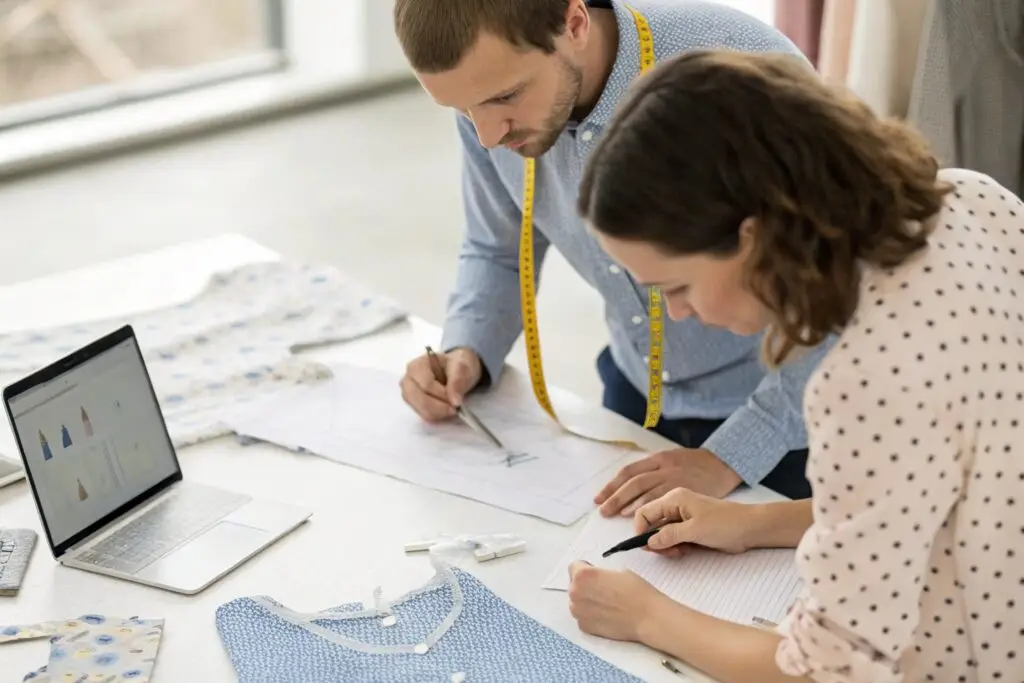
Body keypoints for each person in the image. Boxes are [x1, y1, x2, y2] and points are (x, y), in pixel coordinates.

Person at [566, 48, 1024, 682]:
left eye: (675, 288)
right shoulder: (972, 201)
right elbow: (938, 493)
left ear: (750, 236)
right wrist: (754, 524)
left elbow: (827, 671)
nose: (678, 317)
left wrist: (647, 617)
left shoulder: (864, 378)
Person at [392, 0, 832, 506]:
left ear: (574, 22)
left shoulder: (742, 71)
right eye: (464, 113)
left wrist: (734, 453)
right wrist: (466, 350)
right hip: (634, 393)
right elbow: (498, 248)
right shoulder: (486, 107)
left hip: (795, 418)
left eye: (506, 96)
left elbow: (838, 285)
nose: (489, 137)